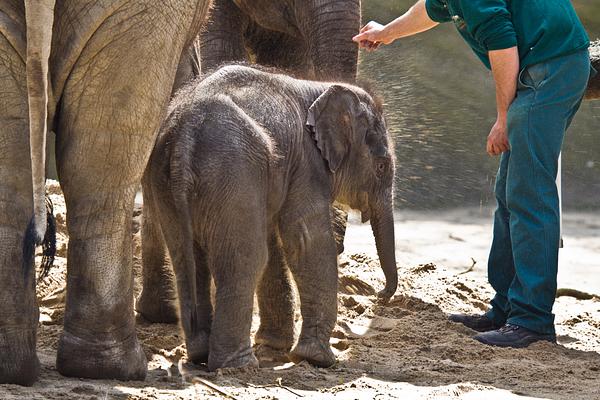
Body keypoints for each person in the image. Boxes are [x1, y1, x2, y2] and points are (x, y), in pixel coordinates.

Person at [353, 0, 595, 348]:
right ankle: (507, 307)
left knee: (529, 195)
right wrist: (387, 33)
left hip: (550, 70)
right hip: (548, 64)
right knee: (510, 192)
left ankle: (532, 321)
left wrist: (502, 119)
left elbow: (504, 46)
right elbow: (431, 8)